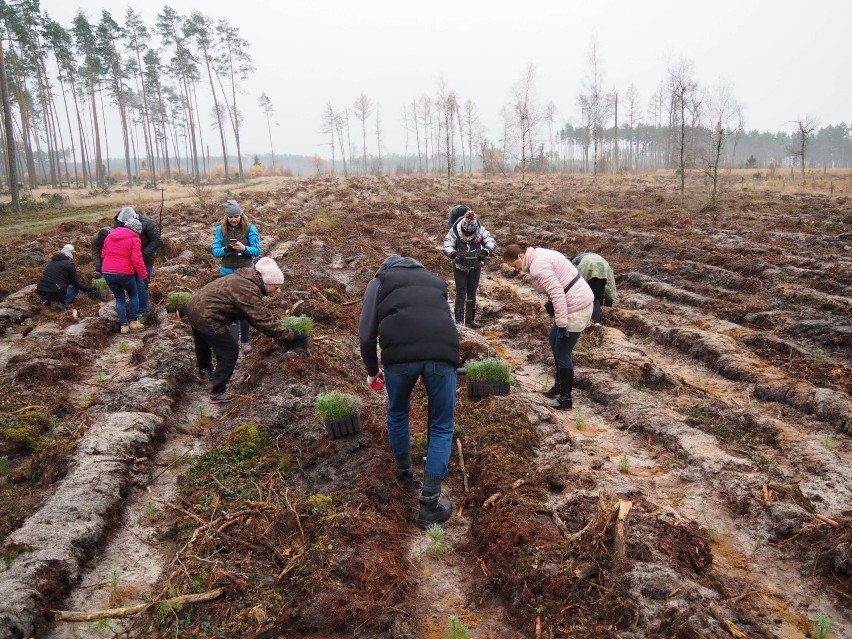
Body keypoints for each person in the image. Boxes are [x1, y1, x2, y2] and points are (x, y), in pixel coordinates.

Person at [358, 255, 460, 528]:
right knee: (441, 425)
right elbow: (443, 320)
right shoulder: (436, 281)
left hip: (399, 359)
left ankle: (405, 479)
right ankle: (429, 505)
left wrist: (371, 371)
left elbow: (366, 336)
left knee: (398, 412)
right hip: (442, 354)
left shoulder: (379, 282)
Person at [186, 257, 301, 404]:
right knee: (229, 351)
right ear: (267, 282)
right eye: (276, 286)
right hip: (207, 315)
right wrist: (289, 335)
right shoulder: (249, 289)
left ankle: (205, 374)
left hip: (194, 307)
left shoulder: (243, 278)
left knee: (202, 342)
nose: (276, 291)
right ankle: (218, 392)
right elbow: (260, 319)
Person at [503, 244, 594, 410]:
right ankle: (559, 385)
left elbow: (557, 293)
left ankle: (566, 399)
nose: (516, 270)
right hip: (573, 301)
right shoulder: (538, 255)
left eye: (514, 266)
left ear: (520, 257)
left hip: (578, 306)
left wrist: (561, 324)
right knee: (553, 340)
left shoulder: (538, 266)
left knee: (562, 351)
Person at [211, 199, 262, 354]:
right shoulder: (220, 230)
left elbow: (257, 250)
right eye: (230, 217)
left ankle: (245, 341)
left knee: (244, 308)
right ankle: (232, 341)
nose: (234, 219)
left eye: (236, 216)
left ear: (241, 215)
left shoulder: (250, 229)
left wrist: (244, 248)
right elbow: (215, 251)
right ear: (226, 217)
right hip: (227, 273)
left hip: (245, 272)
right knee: (229, 308)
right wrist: (226, 249)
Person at [92, 206, 161, 319]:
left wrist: (143, 253)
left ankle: (142, 312)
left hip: (144, 260)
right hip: (126, 263)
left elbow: (156, 240)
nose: (123, 225)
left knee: (141, 286)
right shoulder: (119, 225)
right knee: (132, 290)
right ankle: (133, 315)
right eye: (121, 223)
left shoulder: (147, 224)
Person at [443, 209, 496, 328]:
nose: (468, 235)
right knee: (461, 291)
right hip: (459, 266)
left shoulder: (481, 230)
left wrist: (484, 251)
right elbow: (447, 244)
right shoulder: (454, 231)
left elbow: (491, 241)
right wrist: (454, 254)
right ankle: (459, 321)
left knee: (472, 292)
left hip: (475, 265)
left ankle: (470, 319)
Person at [101, 218, 147, 334]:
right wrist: (144, 276)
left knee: (119, 298)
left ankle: (123, 325)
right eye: (138, 232)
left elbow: (103, 253)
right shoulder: (134, 239)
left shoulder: (110, 236)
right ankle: (133, 321)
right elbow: (136, 259)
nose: (138, 234)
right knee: (133, 294)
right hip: (124, 272)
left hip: (107, 271)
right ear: (135, 230)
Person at [36, 244, 95, 309]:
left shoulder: (51, 263)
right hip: (56, 293)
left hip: (41, 292)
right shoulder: (69, 264)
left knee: (53, 284)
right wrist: (88, 289)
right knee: (74, 289)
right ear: (70, 254)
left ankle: (47, 301)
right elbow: (76, 284)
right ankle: (62, 303)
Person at [571, 252, 616, 324]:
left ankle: (590, 321)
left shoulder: (574, 260)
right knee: (596, 296)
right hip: (603, 265)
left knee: (588, 295)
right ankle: (597, 320)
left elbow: (573, 276)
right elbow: (606, 286)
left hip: (588, 265)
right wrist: (608, 297)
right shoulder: (590, 255)